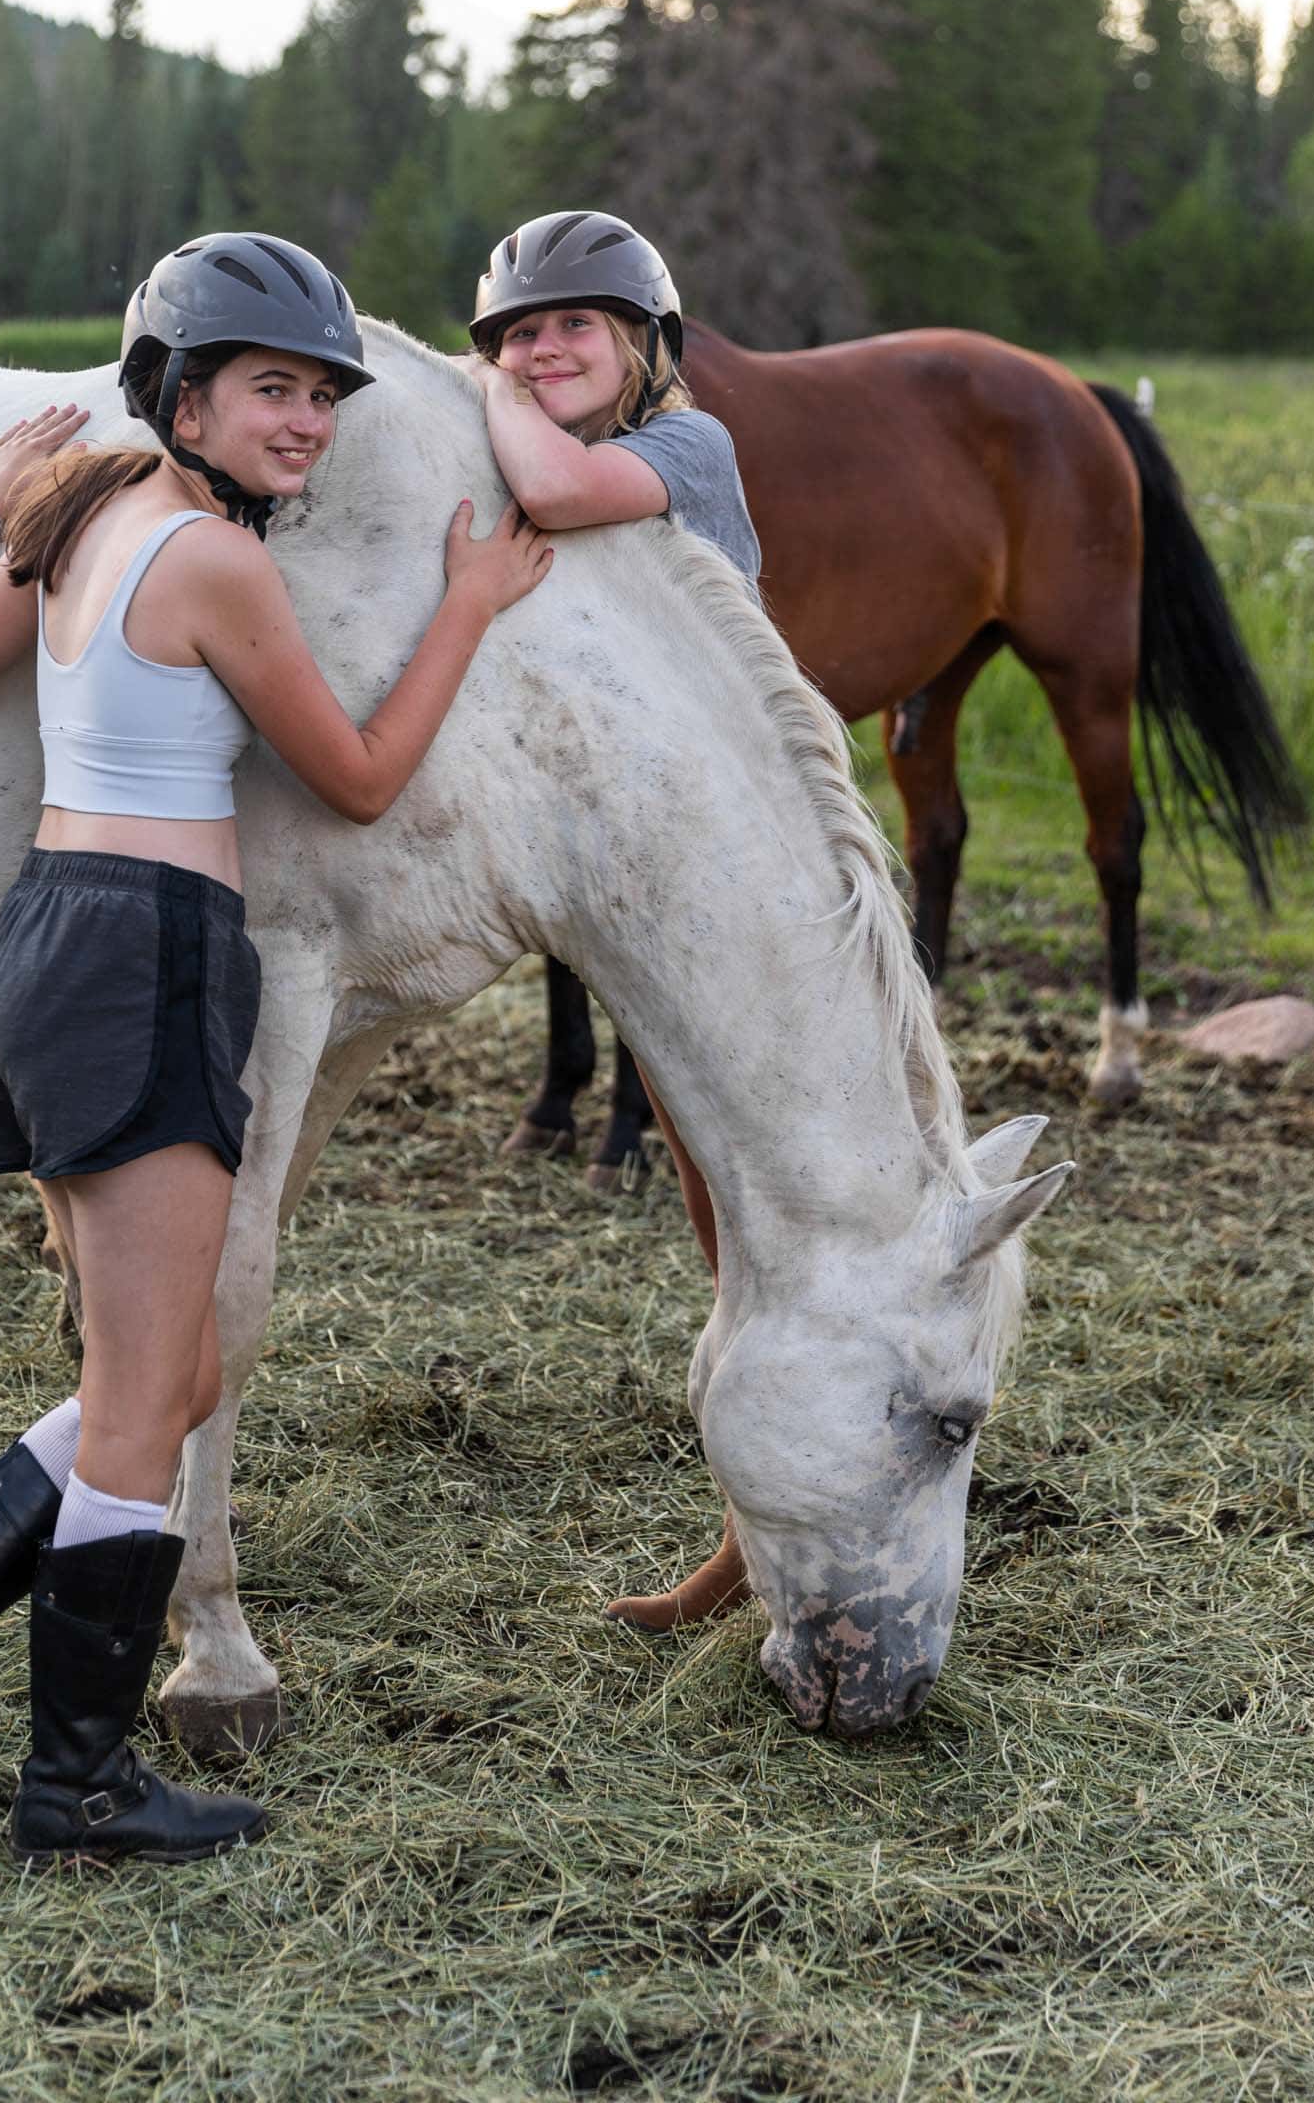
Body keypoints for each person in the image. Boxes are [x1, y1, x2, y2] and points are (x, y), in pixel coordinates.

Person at [0, 233, 552, 1866]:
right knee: (146, 1398)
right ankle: (74, 1783)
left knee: (169, 1373)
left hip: (50, 940)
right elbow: (354, 779)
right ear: (181, 396)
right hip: (144, 951)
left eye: (325, 397)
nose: (309, 424)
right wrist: (470, 607)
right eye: (274, 390)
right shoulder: (212, 562)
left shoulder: (76, 525)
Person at [462, 209, 758, 1629]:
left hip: (732, 858)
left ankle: (760, 1530)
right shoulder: (564, 431)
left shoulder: (683, 448)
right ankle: (754, 1527)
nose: (538, 349)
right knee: (719, 1206)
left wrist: (475, 390)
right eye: (517, 331)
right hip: (646, 869)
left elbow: (562, 493)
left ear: (645, 347)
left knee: (743, 1214)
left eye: (573, 325)